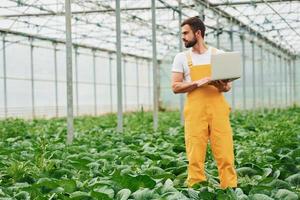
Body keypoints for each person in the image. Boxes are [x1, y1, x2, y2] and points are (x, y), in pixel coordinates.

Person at [171, 16, 237, 189]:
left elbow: (227, 87)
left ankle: (230, 190)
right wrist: (196, 83)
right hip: (195, 112)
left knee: (225, 155)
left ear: (198, 33)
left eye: (186, 33)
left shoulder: (219, 55)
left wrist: (221, 85)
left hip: (218, 111)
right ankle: (197, 190)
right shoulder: (181, 58)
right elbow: (175, 86)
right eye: (182, 33)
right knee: (195, 157)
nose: (183, 37)